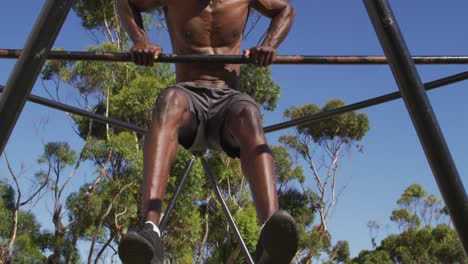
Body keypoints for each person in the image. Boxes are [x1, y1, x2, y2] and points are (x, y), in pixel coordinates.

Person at [117, 0, 297, 263]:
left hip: (228, 103)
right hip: (189, 103)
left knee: (249, 113)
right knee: (169, 100)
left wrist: (269, 43)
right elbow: (127, 3)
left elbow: (286, 10)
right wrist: (140, 39)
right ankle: (150, 231)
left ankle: (271, 235)